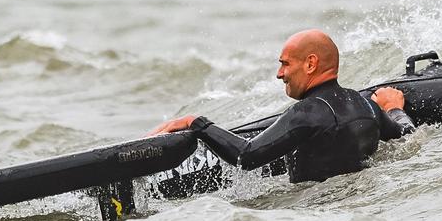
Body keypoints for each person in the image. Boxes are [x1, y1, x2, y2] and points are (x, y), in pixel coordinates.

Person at [148, 29, 414, 184]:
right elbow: (407, 136)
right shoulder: (364, 105)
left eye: (285, 64)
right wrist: (393, 108)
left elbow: (246, 156)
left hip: (316, 208)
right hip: (355, 197)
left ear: (310, 64)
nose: (279, 74)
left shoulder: (307, 113)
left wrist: (196, 123)